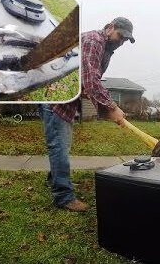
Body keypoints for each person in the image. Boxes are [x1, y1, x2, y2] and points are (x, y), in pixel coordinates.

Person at [39, 17, 135, 212]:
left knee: (61, 145)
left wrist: (104, 111)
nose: (121, 42)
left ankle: (55, 179)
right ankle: (63, 196)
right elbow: (90, 81)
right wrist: (111, 106)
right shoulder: (94, 41)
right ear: (109, 28)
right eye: (120, 36)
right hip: (55, 98)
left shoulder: (106, 49)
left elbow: (87, 84)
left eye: (125, 40)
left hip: (65, 99)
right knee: (60, 146)